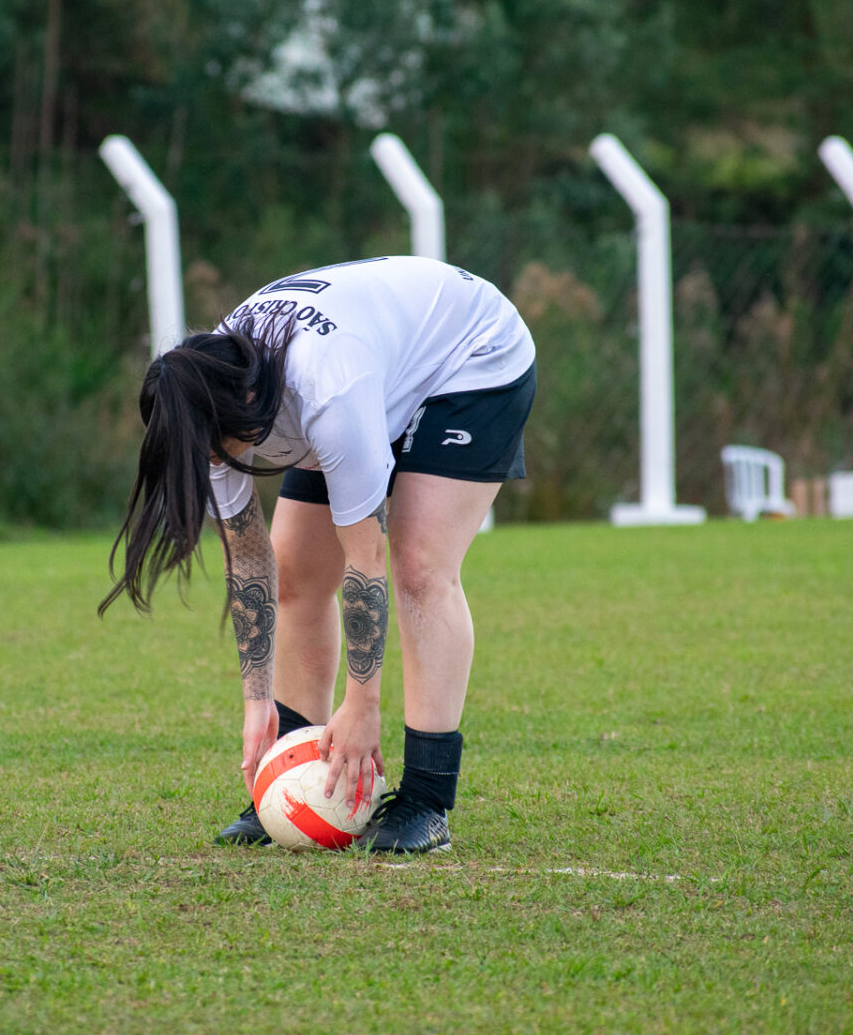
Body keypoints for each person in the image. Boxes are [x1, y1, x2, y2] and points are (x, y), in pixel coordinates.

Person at [100, 255, 537, 854]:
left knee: (418, 566)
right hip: (372, 364)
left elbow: (366, 559)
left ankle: (426, 800)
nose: (211, 464)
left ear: (242, 412)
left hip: (468, 353)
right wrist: (258, 705)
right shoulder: (203, 400)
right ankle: (299, 766)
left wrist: (362, 706)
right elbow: (251, 561)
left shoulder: (326, 389)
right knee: (294, 571)